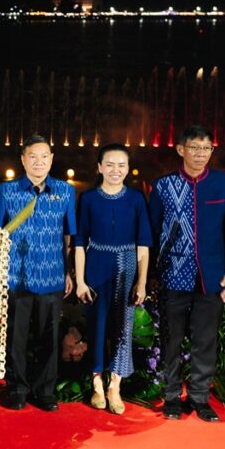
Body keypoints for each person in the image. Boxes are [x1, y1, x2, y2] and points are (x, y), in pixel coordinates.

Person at [149, 125, 225, 422]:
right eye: (195, 148)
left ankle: (200, 398)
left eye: (206, 148)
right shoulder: (162, 186)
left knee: (205, 340)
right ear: (181, 150)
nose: (201, 154)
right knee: (171, 340)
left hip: (211, 276)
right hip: (171, 275)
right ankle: (171, 396)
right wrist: (150, 274)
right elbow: (152, 232)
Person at [0, 135, 76, 412]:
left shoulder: (65, 191)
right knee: (16, 338)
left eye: (44, 157)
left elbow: (69, 237)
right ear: (23, 160)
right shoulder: (7, 191)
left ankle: (45, 392)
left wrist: (69, 273)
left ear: (51, 159)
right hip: (15, 276)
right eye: (32, 156)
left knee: (49, 338)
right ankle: (17, 389)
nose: (39, 162)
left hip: (52, 275)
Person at [73, 144, 152, 414]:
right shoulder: (88, 199)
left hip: (127, 268)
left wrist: (142, 282)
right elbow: (80, 243)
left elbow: (143, 245)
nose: (115, 170)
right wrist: (80, 281)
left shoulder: (137, 199)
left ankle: (115, 387)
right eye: (109, 164)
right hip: (96, 265)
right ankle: (97, 384)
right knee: (96, 326)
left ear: (127, 169)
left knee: (123, 328)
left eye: (121, 165)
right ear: (99, 167)